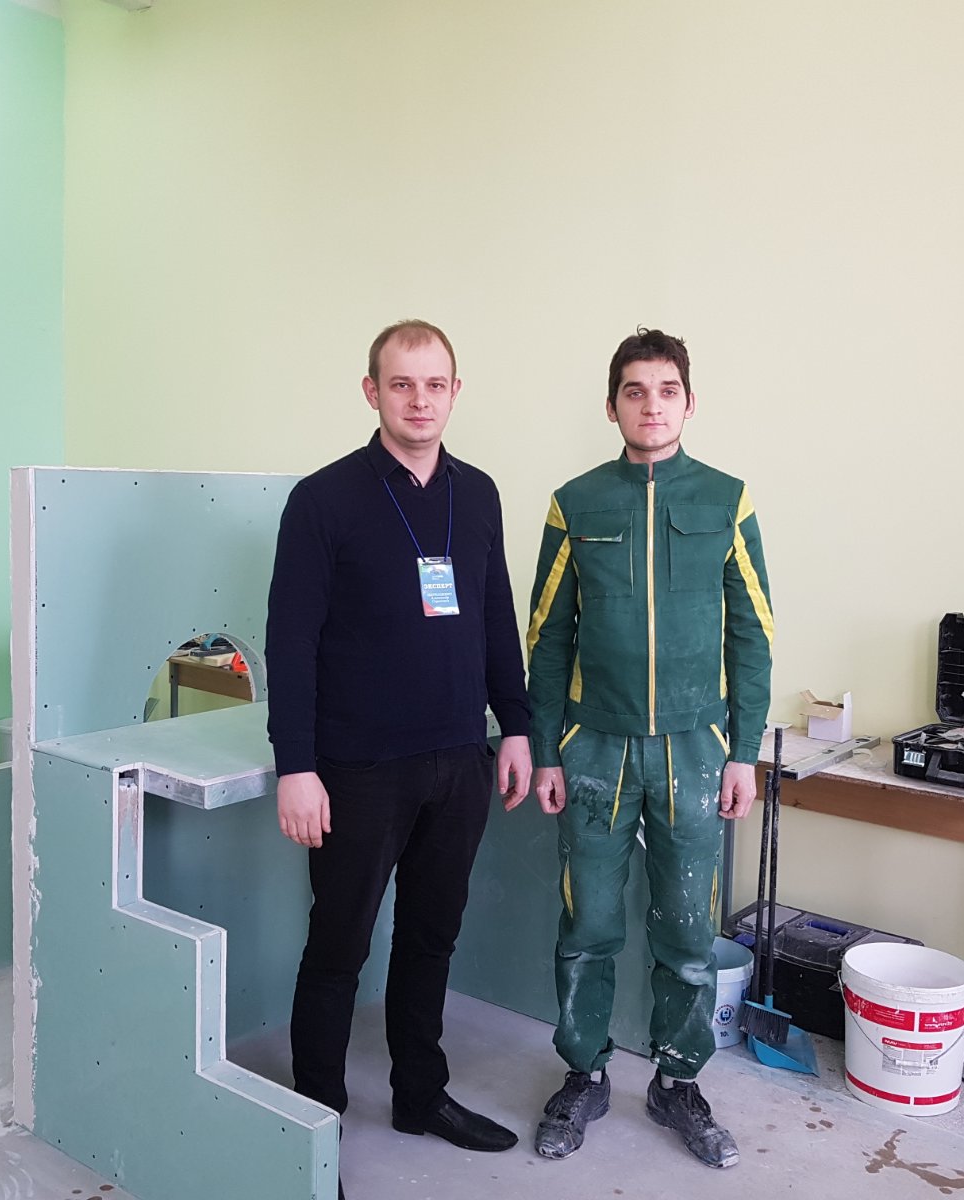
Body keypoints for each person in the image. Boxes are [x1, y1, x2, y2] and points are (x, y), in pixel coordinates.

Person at [266, 320, 532, 1195]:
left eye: (435, 383)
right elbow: (290, 642)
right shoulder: (324, 499)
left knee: (430, 938)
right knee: (338, 948)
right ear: (371, 391)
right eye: (402, 383)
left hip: (458, 759)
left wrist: (516, 725)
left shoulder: (478, 494)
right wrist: (296, 766)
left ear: (456, 392)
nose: (420, 400)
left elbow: (494, 616)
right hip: (358, 768)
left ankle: (421, 1094)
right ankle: (316, 1130)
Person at [520, 327, 773, 1169]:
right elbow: (546, 638)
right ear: (612, 406)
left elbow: (754, 636)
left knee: (688, 928)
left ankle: (678, 1082)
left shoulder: (728, 500)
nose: (652, 406)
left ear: (689, 403)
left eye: (667, 391)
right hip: (594, 749)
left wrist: (743, 752)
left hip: (697, 751)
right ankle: (583, 1073)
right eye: (635, 391)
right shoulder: (576, 502)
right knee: (588, 922)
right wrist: (547, 750)